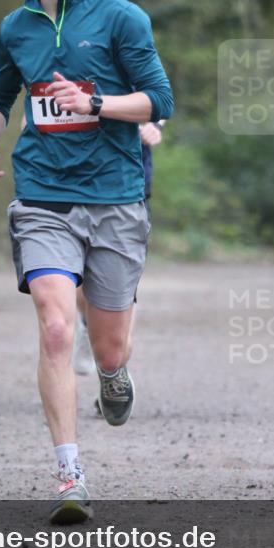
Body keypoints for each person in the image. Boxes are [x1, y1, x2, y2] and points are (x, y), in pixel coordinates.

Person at [0, 0, 174, 524]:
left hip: (114, 197)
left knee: (109, 349)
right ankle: (69, 475)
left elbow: (159, 99)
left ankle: (113, 376)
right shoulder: (16, 27)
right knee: (58, 328)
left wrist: (96, 104)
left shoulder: (121, 17)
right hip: (42, 196)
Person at [73, 119, 165, 378]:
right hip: (74, 179)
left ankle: (115, 369)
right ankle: (87, 325)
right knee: (78, 278)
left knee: (121, 283)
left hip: (129, 183)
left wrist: (155, 125)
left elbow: (159, 99)